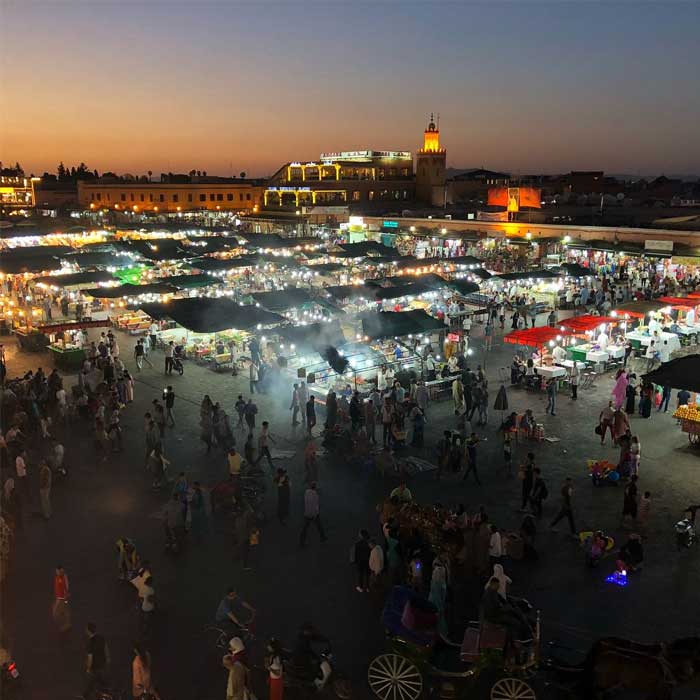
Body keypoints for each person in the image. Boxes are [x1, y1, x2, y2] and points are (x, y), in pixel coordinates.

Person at [300, 482, 326, 546]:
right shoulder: (315, 495)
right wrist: (316, 514)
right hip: (313, 514)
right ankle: (322, 537)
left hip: (307, 513)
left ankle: (302, 541)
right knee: (319, 525)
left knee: (305, 528)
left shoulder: (306, 492)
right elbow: (315, 505)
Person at [53, 564, 71, 632]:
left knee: (57, 611)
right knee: (65, 610)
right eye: (56, 571)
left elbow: (66, 588)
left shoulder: (63, 578)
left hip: (62, 598)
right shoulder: (58, 577)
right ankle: (67, 623)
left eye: (58, 571)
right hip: (59, 598)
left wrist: (65, 599)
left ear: (61, 570)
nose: (57, 572)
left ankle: (67, 624)